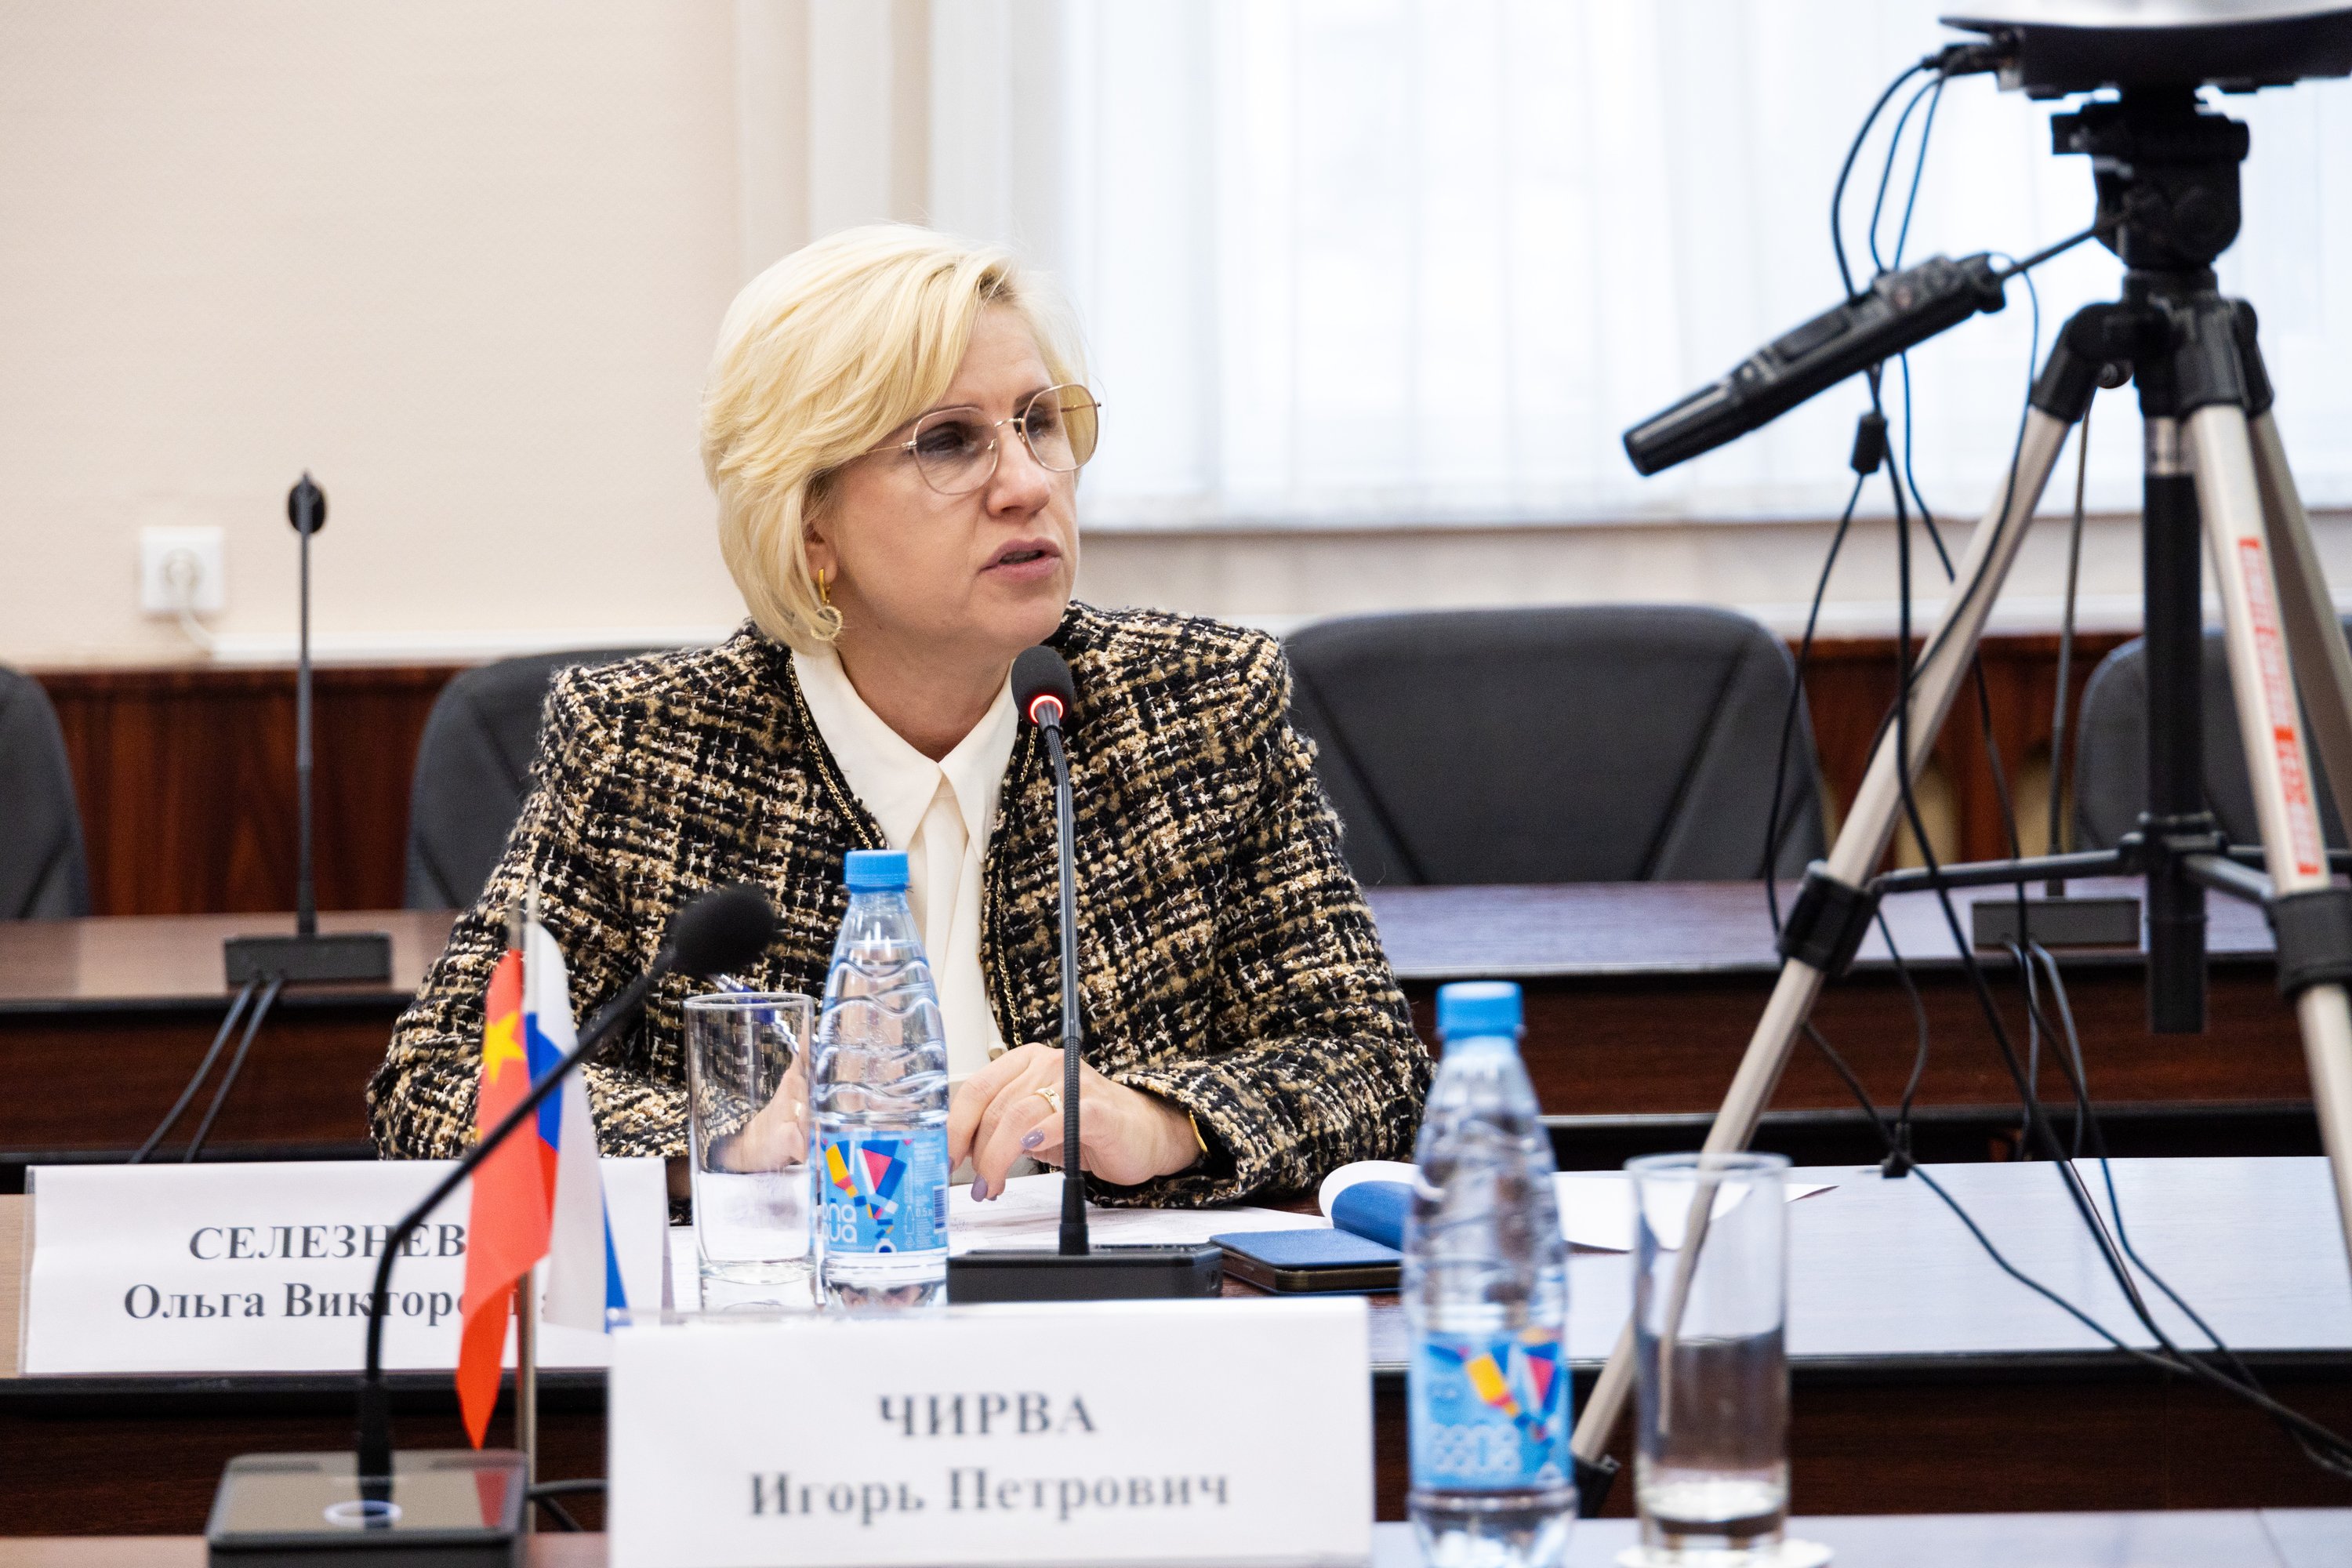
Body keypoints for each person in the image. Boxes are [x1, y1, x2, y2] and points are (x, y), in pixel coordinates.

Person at [368, 224, 1429, 1206]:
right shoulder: (649, 749)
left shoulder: (1197, 709)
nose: (1026, 484)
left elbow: (1371, 1061)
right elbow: (443, 1084)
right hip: (786, 1323)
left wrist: (1160, 1122)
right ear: (810, 525)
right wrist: (730, 1139)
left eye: (1039, 423)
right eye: (950, 442)